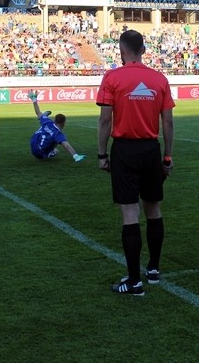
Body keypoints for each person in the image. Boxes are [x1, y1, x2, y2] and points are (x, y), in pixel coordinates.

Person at [96, 29, 175, 296]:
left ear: (121, 49)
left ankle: (133, 281)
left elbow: (105, 120)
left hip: (125, 151)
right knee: (153, 209)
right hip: (151, 150)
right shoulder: (159, 79)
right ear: (143, 50)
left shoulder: (113, 77)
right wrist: (167, 156)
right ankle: (153, 270)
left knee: (130, 213)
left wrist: (101, 155)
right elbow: (168, 122)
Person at [27, 90, 86, 162]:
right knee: (56, 151)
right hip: (38, 154)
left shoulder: (48, 122)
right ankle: (47, 153)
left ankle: (44, 116)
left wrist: (34, 100)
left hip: (33, 143)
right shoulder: (57, 133)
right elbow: (66, 145)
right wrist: (76, 156)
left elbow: (38, 112)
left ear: (54, 120)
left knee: (41, 118)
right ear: (63, 123)